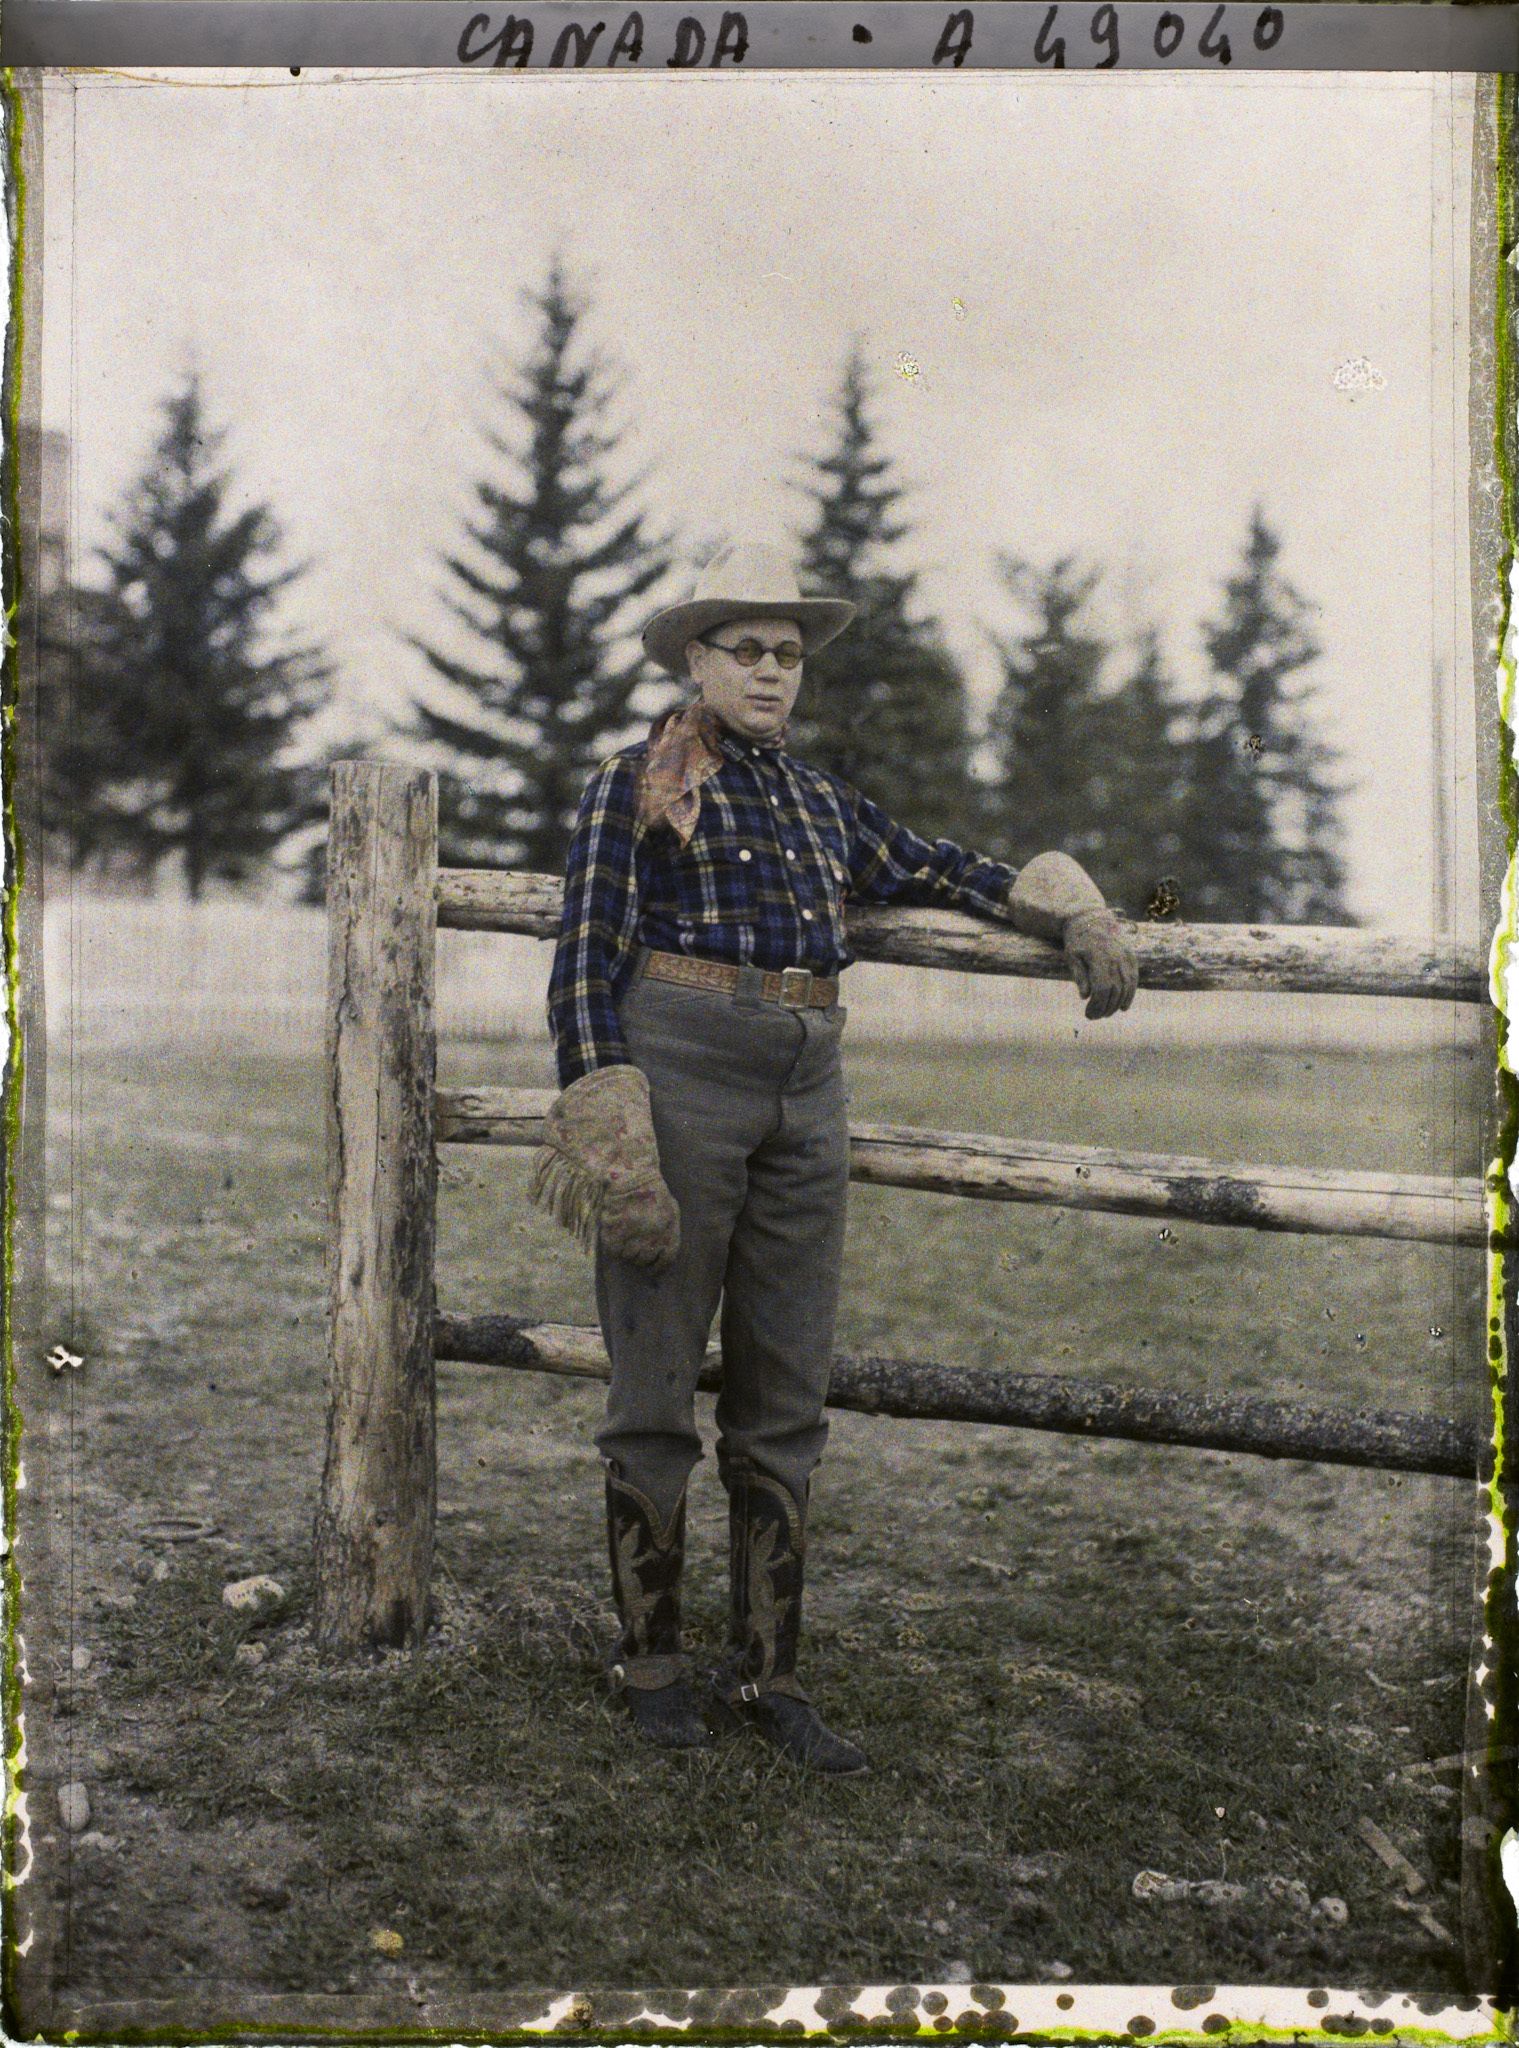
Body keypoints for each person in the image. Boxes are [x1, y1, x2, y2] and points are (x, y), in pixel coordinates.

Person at [533, 541, 1138, 1774]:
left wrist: (1070, 906)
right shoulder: (631, 785)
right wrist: (610, 1119)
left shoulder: (821, 803)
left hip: (807, 1084)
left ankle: (772, 1673)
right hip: (681, 1069)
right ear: (694, 658)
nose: (769, 671)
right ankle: (652, 1665)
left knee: (785, 1389)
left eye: (788, 653)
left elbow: (946, 869)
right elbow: (585, 959)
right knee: (652, 1382)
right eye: (745, 649)